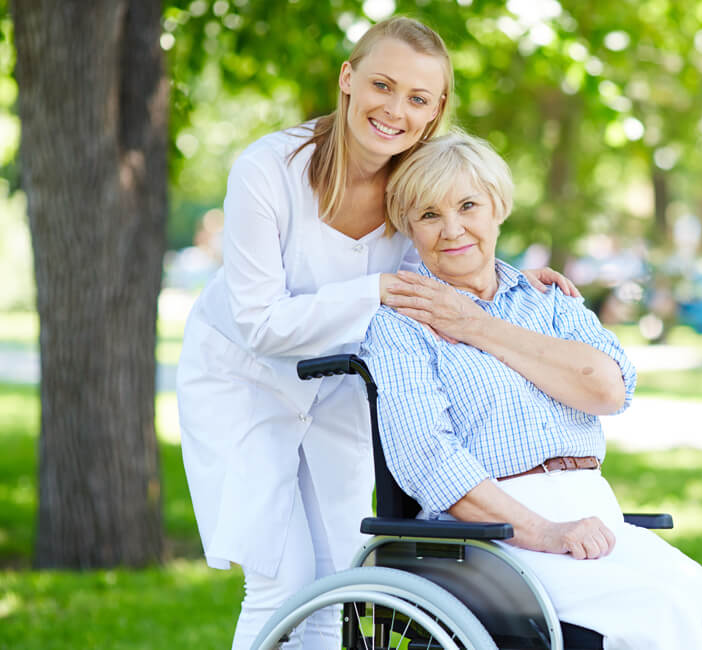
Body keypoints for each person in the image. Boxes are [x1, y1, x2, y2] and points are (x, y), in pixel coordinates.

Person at [175, 17, 577, 649]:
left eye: (418, 98)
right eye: (382, 86)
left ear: (436, 108)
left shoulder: (417, 187)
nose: (395, 110)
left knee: (337, 579)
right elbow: (259, 324)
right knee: (279, 583)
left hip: (341, 383)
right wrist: (374, 291)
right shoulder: (268, 170)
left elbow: (447, 264)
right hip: (244, 381)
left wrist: (508, 278)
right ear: (348, 79)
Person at [361, 132, 702, 649]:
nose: (452, 229)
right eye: (428, 215)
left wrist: (475, 325)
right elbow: (428, 458)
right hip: (489, 540)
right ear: (409, 226)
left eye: (468, 205)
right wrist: (544, 532)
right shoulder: (400, 323)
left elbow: (609, 390)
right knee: (661, 619)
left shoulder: (550, 303)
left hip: (595, 514)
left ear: (498, 207)